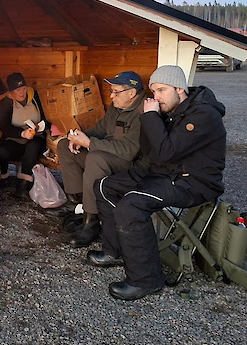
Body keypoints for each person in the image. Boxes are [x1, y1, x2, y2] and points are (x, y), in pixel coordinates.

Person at [88, 65, 227, 301]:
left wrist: (151, 116)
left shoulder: (203, 114)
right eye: (154, 91)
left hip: (193, 182)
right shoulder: (171, 110)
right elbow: (151, 151)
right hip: (164, 174)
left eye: (161, 90)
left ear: (179, 89)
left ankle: (146, 279)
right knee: (104, 186)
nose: (156, 96)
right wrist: (149, 117)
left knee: (131, 205)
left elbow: (165, 152)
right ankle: (116, 250)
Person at [57, 71, 145, 247]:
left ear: (132, 93)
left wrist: (90, 143)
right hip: (107, 155)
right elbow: (100, 130)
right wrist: (78, 138)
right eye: (111, 91)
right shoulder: (117, 107)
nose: (111, 96)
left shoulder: (142, 113)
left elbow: (129, 151)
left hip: (131, 165)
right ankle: (78, 204)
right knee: (63, 146)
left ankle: (92, 221)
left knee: (96, 158)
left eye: (116, 92)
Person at [0, 72, 48, 198]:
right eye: (18, 90)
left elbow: (46, 117)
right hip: (15, 138)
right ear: (11, 91)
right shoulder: (5, 103)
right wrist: (22, 133)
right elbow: (4, 126)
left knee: (33, 145)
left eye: (23, 88)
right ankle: (3, 177)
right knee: (1, 151)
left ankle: (23, 184)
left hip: (36, 137)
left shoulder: (34, 98)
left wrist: (39, 126)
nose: (22, 92)